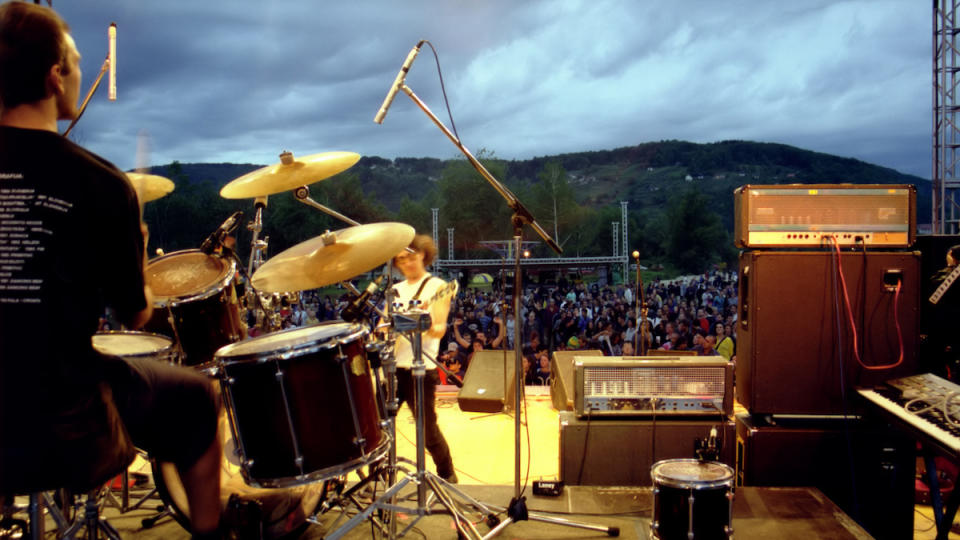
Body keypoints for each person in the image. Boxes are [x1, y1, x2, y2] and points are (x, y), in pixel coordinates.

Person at [0, 4, 221, 538]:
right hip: (58, 417)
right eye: (75, 63)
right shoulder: (100, 184)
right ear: (55, 75)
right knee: (198, 397)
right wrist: (135, 254)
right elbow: (138, 313)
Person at [391, 234, 457, 483]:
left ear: (422, 255)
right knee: (378, 425)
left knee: (427, 431)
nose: (406, 263)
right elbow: (383, 325)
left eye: (410, 256)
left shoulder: (438, 287)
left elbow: (438, 328)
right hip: (393, 367)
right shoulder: (395, 290)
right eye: (400, 259)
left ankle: (447, 474)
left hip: (421, 369)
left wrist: (409, 322)